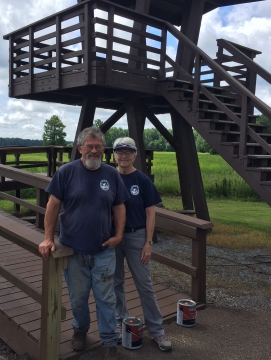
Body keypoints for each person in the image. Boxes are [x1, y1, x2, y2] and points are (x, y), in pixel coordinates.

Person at [39, 127, 129, 359]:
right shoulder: (66, 172)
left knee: (106, 298)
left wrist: (119, 235)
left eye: (98, 146)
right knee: (78, 298)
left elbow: (119, 207)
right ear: (80, 148)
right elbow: (52, 206)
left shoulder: (112, 174)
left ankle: (109, 341)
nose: (94, 150)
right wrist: (49, 238)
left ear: (103, 149)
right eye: (89, 146)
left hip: (104, 250)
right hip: (74, 250)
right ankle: (80, 330)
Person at [112, 137, 173, 352]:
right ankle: (121, 324)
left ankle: (156, 331)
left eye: (128, 152)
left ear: (135, 155)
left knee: (144, 284)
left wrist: (148, 242)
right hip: (114, 238)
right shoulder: (109, 177)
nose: (124, 156)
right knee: (115, 282)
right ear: (114, 155)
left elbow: (150, 213)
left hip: (137, 236)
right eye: (120, 152)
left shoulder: (142, 180)